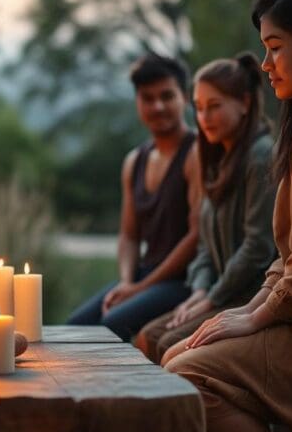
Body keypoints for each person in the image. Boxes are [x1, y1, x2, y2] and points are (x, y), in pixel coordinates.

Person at [165, 0, 292, 432]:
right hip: (278, 307)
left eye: (276, 47)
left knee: (181, 373)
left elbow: (274, 257)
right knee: (174, 356)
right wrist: (244, 311)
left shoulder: (261, 154)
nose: (266, 64)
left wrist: (249, 315)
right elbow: (284, 259)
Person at [135, 54, 277, 363]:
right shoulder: (215, 160)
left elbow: (257, 247)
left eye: (214, 106)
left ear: (244, 103)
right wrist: (200, 290)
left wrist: (212, 297)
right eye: (198, 108)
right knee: (148, 337)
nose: (204, 117)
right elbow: (205, 246)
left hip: (248, 297)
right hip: (215, 291)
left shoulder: (261, 157)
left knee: (169, 345)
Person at [67, 54, 201, 340]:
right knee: (74, 326)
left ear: (185, 98)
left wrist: (139, 289)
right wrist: (127, 282)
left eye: (167, 96)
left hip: (185, 280)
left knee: (111, 324)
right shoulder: (134, 161)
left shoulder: (196, 153)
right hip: (144, 275)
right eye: (147, 98)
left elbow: (196, 235)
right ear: (137, 102)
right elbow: (128, 236)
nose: (158, 106)